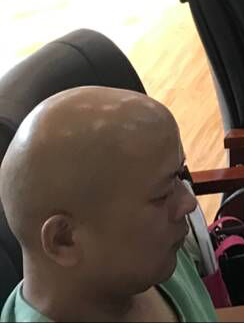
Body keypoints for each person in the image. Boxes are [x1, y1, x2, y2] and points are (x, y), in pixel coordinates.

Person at [0, 86, 218, 323]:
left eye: (178, 175)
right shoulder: (147, 255)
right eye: (162, 195)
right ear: (64, 239)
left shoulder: (158, 256)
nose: (189, 203)